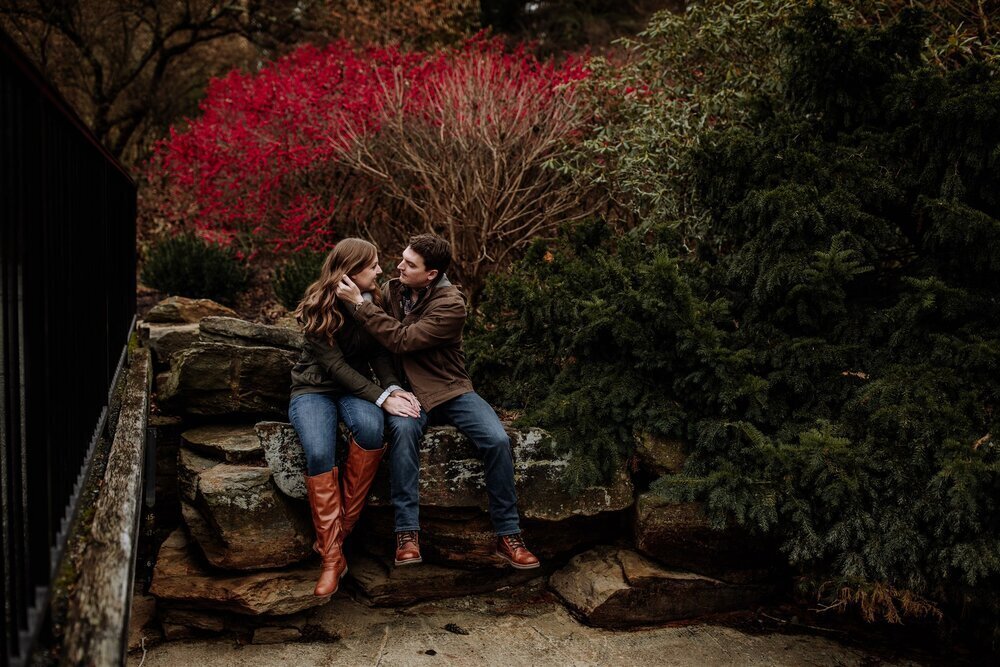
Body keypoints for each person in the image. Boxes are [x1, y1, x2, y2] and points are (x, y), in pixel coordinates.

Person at [335, 234, 540, 570]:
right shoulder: (392, 290)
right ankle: (407, 534)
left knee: (497, 439)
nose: (399, 266)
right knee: (402, 434)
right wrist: (391, 388)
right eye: (402, 258)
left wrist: (360, 305)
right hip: (407, 392)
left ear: (430, 274)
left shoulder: (451, 304)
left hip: (449, 389)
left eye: (409, 264)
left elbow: (400, 340)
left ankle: (509, 535)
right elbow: (378, 344)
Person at [289, 238, 422, 596]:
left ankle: (336, 536)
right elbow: (332, 366)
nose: (380, 270)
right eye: (373, 265)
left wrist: (393, 390)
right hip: (314, 390)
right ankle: (333, 560)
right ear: (349, 272)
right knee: (319, 452)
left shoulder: (371, 300)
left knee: (371, 429)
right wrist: (381, 395)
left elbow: (379, 356)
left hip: (355, 391)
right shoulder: (317, 305)